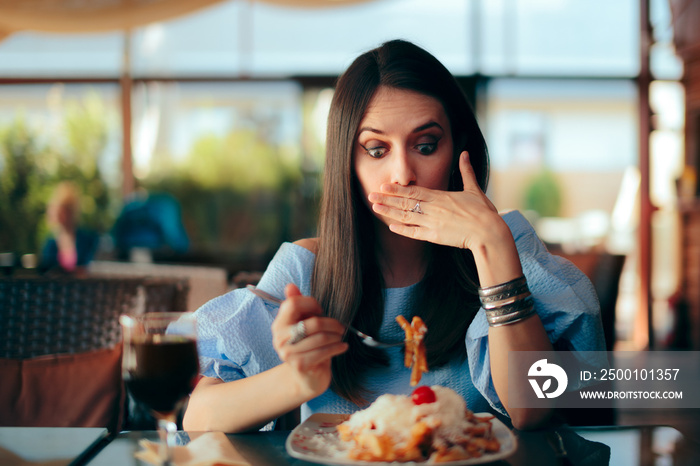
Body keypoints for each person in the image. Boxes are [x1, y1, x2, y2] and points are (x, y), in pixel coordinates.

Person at [183, 39, 605, 433]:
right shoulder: (307, 267)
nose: (403, 174)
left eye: (425, 145)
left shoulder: (502, 244)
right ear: (347, 163)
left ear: (460, 150)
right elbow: (198, 418)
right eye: (377, 150)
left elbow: (532, 407)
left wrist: (491, 245)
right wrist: (295, 379)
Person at [39, 181, 99, 273]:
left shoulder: (88, 239)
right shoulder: (50, 244)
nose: (63, 215)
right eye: (61, 210)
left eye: (66, 210)